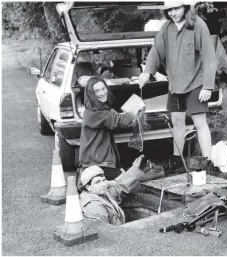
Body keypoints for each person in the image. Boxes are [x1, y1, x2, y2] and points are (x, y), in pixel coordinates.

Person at [138, 1, 217, 172]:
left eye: (176, 9)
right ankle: (177, 162)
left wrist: (208, 86)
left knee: (200, 123)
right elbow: (156, 51)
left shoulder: (198, 26)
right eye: (169, 10)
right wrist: (147, 72)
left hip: (196, 83)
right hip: (175, 85)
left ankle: (207, 163)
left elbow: (209, 57)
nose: (173, 13)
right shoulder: (166, 28)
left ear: (186, 8)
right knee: (177, 121)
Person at [79, 76, 137, 181]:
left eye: (103, 88)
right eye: (97, 91)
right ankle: (109, 185)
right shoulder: (96, 112)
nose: (102, 93)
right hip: (97, 162)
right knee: (130, 185)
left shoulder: (96, 108)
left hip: (99, 160)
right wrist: (136, 108)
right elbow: (121, 120)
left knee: (128, 180)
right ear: (91, 94)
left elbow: (114, 117)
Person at [79, 155, 146, 225]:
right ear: (88, 187)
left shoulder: (101, 194)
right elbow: (104, 232)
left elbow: (120, 188)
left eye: (104, 180)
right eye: (97, 182)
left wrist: (134, 168)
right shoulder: (94, 207)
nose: (103, 184)